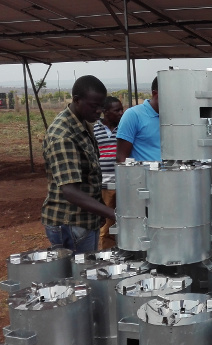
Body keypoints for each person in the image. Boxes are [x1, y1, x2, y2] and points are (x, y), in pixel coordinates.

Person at [41, 75, 116, 254]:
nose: (99, 111)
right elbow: (71, 192)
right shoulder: (64, 135)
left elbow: (89, 176)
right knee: (78, 278)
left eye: (101, 106)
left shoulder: (83, 124)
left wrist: (98, 210)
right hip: (70, 222)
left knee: (83, 275)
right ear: (76, 100)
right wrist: (112, 213)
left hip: (83, 221)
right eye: (94, 106)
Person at [93, 96, 123, 249]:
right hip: (104, 185)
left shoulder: (124, 127)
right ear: (105, 112)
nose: (121, 113)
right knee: (107, 226)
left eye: (121, 109)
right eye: (116, 110)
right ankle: (109, 255)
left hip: (122, 184)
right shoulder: (94, 129)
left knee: (123, 223)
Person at [116, 77, 160, 162]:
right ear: (155, 94)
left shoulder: (176, 118)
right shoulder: (133, 115)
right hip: (143, 174)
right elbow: (121, 158)